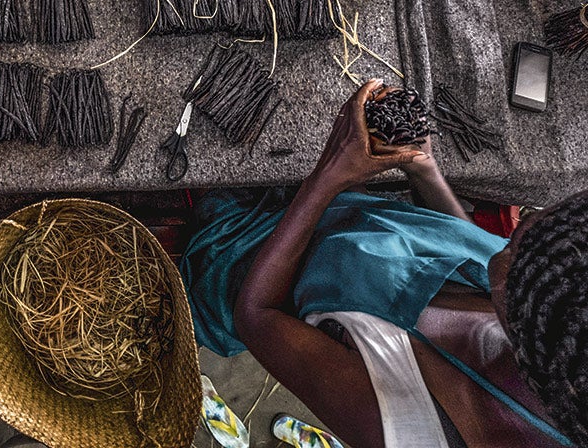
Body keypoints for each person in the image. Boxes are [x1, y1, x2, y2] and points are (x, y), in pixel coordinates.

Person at [181, 80, 584, 448]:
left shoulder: (412, 430)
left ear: (518, 315)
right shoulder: (549, 307)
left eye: (515, 245)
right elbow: (468, 247)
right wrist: (423, 168)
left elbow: (256, 315)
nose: (516, 229)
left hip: (244, 271)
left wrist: (327, 176)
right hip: (339, 216)